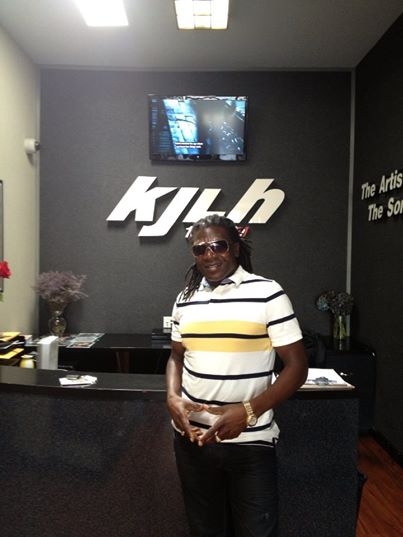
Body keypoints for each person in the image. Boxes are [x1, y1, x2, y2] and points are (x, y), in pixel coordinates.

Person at [166, 214, 308, 537]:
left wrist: (247, 412)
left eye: (218, 245)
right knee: (204, 530)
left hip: (250, 443)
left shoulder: (268, 293)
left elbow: (297, 367)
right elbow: (175, 356)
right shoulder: (185, 298)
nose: (209, 254)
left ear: (235, 247)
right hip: (192, 441)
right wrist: (172, 397)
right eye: (200, 249)